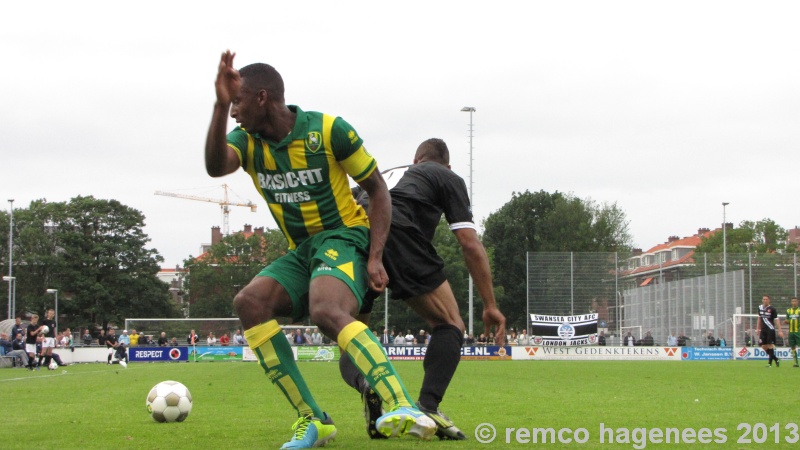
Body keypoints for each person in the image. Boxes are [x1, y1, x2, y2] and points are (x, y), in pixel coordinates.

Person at [204, 50, 435, 448]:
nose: (236, 112)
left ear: (262, 97)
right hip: (303, 250)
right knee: (249, 303)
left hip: (346, 236)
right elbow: (214, 166)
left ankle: (402, 402)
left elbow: (379, 191)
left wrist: (377, 255)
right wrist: (220, 104)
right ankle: (313, 420)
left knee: (325, 309)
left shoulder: (328, 131)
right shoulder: (246, 141)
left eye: (238, 102)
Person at [341, 138, 506, 440]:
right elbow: (469, 243)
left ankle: (368, 384)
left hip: (353, 233)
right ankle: (428, 406)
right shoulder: (445, 176)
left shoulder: (386, 174)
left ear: (415, 160)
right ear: (446, 165)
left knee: (352, 334)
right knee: (449, 324)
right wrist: (489, 303)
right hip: (397, 228)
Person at [756, 294, 783, 367]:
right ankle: (775, 358)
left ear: (769, 300)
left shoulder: (772, 309)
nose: (765, 300)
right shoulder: (760, 307)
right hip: (763, 330)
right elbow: (759, 318)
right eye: (764, 299)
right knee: (763, 346)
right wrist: (758, 328)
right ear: (762, 300)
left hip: (770, 329)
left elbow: (776, 320)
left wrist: (780, 330)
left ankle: (769, 364)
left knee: (770, 345)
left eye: (766, 299)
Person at [784, 297, 800, 367]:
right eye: (792, 301)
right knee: (792, 347)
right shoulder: (788, 310)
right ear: (791, 302)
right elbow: (787, 319)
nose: (794, 302)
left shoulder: (799, 310)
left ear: (797, 302)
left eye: (795, 301)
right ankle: (795, 362)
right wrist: (786, 321)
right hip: (791, 332)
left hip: (798, 331)